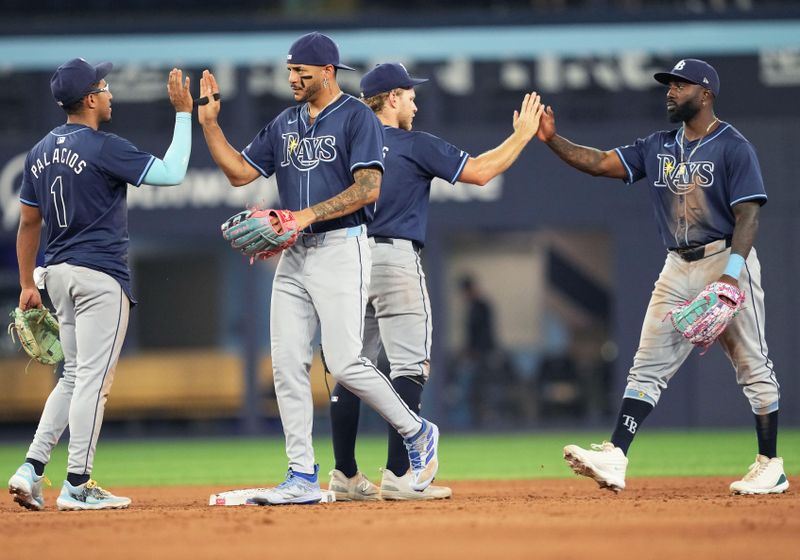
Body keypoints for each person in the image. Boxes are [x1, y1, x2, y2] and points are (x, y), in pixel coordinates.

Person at [196, 35, 440, 505]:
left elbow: (368, 188)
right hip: (295, 253)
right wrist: (209, 124)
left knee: (346, 361)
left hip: (342, 247)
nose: (293, 79)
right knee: (287, 365)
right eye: (290, 71)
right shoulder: (284, 123)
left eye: (302, 72)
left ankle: (417, 431)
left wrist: (304, 215)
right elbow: (239, 173)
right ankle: (302, 476)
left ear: (328, 71)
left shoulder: (357, 117)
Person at [537, 58, 786, 494]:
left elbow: (748, 216)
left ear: (705, 93)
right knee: (646, 366)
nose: (670, 91)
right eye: (668, 85)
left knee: (752, 365)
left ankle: (770, 463)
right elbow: (598, 162)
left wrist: (731, 275)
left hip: (725, 257)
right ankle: (616, 455)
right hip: (677, 265)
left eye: (680, 85)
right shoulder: (658, 146)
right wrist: (553, 140)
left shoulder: (733, 145)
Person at [326, 62, 542, 500]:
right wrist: (521, 136)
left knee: (349, 368)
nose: (415, 102)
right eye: (409, 94)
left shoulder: (344, 144)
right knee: (408, 366)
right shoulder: (412, 143)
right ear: (391, 99)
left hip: (345, 260)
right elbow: (480, 172)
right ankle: (399, 475)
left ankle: (345, 476)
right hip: (393, 260)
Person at [7, 58, 194, 511]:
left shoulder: (39, 151)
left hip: (56, 275)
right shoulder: (102, 146)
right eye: (105, 87)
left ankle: (30, 469)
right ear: (90, 99)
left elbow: (28, 222)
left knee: (72, 376)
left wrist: (26, 284)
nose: (110, 94)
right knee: (93, 379)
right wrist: (184, 113)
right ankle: (77, 483)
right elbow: (172, 173)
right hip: (99, 277)